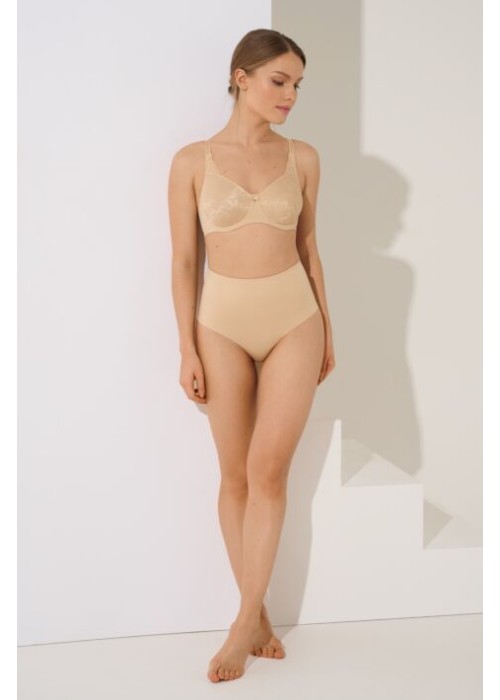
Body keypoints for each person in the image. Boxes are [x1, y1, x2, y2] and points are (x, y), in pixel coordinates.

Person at [168, 28, 335, 683]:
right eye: (279, 81)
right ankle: (257, 613)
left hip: (295, 319)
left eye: (297, 85)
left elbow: (310, 247)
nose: (290, 95)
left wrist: (329, 330)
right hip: (221, 326)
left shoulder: (304, 157)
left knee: (269, 471)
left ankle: (240, 626)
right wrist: (186, 346)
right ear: (241, 77)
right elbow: (186, 261)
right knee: (233, 475)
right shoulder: (191, 161)